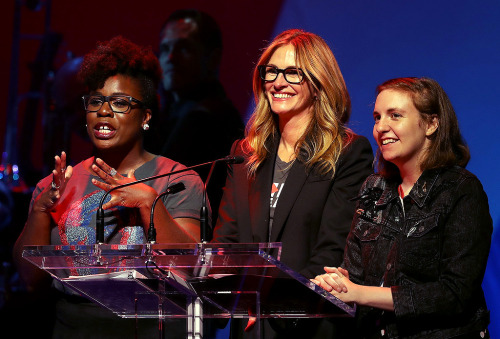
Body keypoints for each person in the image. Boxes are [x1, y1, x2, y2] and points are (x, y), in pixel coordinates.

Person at [13, 36, 206, 338]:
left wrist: (148, 203)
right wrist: (39, 210)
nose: (103, 112)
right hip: (73, 329)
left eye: (119, 103)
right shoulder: (56, 184)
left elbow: (187, 270)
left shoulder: (177, 180)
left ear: (145, 116)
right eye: (95, 101)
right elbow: (29, 279)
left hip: (151, 329)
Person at [212, 29, 374, 338]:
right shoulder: (244, 154)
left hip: (308, 323)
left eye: (292, 73)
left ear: (318, 84)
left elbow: (332, 250)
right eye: (271, 71)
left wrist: (273, 307)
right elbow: (227, 243)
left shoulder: (347, 153)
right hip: (249, 326)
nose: (277, 82)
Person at [313, 77, 492, 338]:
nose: (381, 127)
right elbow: (355, 275)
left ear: (431, 124)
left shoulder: (461, 190)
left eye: (395, 115)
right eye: (377, 117)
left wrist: (360, 293)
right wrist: (339, 282)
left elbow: (455, 294)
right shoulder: (374, 188)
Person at [146, 9, 245, 228]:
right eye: (165, 49)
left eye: (184, 48)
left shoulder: (207, 117)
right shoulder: (174, 110)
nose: (170, 58)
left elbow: (155, 185)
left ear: (212, 58)